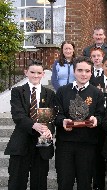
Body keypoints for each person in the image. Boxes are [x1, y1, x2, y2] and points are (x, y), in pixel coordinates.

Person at [54, 56, 105, 190]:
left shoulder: (97, 93)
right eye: (80, 70)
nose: (84, 74)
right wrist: (62, 121)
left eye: (87, 71)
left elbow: (101, 115)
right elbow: (56, 115)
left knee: (85, 183)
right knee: (65, 182)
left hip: (87, 144)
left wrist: (96, 120)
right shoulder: (62, 91)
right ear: (74, 71)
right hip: (66, 144)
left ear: (91, 72)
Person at [5, 59, 55, 190]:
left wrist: (49, 130)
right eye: (32, 72)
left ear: (43, 74)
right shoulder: (17, 91)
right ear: (26, 72)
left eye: (39, 73)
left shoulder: (49, 94)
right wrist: (34, 125)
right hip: (21, 142)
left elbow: (49, 118)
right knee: (17, 182)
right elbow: (18, 115)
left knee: (39, 183)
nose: (35, 76)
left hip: (41, 144)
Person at [90, 55, 107, 190]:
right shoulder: (95, 81)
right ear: (102, 66)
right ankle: (98, 185)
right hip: (100, 123)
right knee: (98, 156)